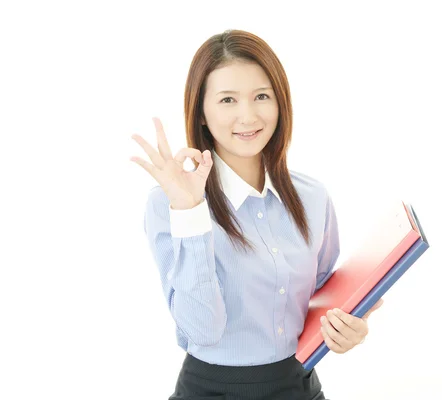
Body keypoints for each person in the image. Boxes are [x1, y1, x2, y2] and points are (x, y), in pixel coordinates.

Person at [130, 29, 384, 400]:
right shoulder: (170, 203)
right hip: (211, 391)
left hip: (299, 386)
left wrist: (352, 324)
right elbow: (202, 330)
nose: (247, 116)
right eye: (228, 100)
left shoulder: (312, 197)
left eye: (261, 96)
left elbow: (322, 294)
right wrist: (191, 212)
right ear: (201, 112)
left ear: (280, 103)